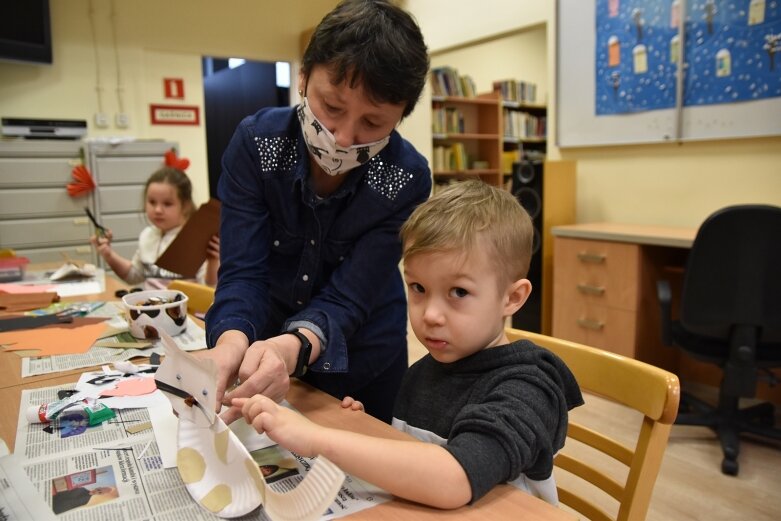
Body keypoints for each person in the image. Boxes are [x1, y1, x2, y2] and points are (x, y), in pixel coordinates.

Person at [231, 180, 584, 509]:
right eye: (418, 288)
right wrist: (364, 430)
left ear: (512, 298)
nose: (430, 314)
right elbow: (417, 456)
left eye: (458, 292)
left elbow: (455, 477)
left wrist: (317, 440)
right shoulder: (427, 369)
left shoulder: (529, 386)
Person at [204, 0, 431, 424]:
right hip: (266, 348)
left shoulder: (405, 178)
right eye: (332, 107)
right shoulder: (258, 145)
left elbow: (352, 294)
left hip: (364, 352)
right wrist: (231, 342)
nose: (345, 138)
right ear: (304, 77)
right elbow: (242, 271)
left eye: (373, 123)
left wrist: (293, 347)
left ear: (400, 118)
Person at [90, 166, 220, 287]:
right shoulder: (147, 235)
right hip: (151, 308)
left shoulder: (197, 238)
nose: (158, 210)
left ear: (185, 205)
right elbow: (133, 276)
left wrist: (214, 262)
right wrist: (108, 254)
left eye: (167, 204)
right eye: (152, 202)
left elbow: (209, 288)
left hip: (185, 310)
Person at [52, 485, 118, 514]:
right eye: (99, 490)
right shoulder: (82, 489)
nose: (97, 492)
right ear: (98, 487)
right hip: (53, 500)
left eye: (100, 493)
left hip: (57, 510)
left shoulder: (88, 503)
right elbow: (64, 493)